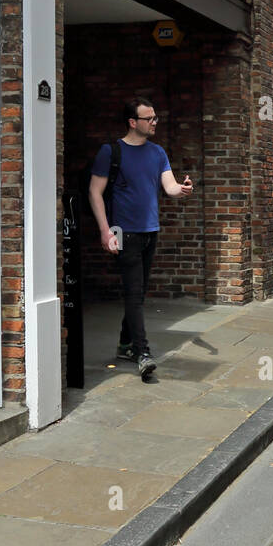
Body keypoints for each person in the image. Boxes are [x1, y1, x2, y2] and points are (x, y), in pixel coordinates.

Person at [89, 97, 194, 378]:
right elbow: (95, 192)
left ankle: (125, 343)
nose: (155, 122)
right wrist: (104, 230)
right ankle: (143, 352)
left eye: (155, 117)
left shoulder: (158, 152)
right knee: (134, 294)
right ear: (133, 122)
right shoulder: (111, 152)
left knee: (139, 292)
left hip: (150, 231)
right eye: (150, 118)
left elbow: (169, 186)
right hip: (124, 232)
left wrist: (181, 191)